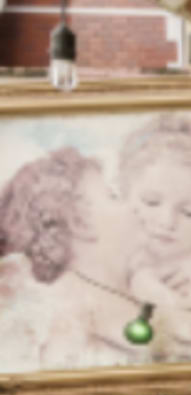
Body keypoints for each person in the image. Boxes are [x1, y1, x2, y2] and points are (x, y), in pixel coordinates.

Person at [0, 145, 155, 373]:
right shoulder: (64, 313)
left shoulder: (130, 287)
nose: (133, 206)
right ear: (79, 223)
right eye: (113, 196)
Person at [113, 115, 191, 357]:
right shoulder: (116, 248)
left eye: (189, 212)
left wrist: (147, 286)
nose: (167, 222)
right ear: (124, 193)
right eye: (152, 202)